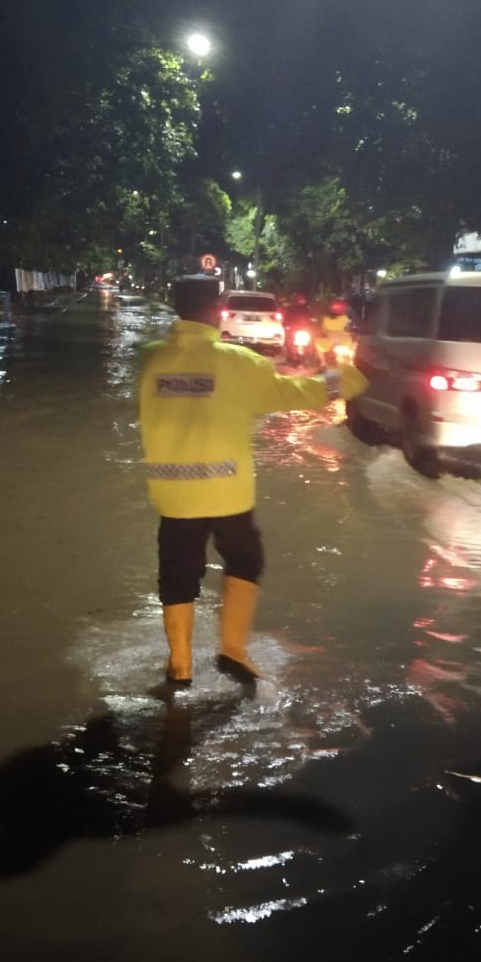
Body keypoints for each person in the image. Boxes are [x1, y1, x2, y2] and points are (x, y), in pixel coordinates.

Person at [138, 275, 367, 687]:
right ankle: (232, 651)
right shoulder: (238, 363)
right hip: (227, 494)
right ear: (214, 308)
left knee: (176, 574)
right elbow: (297, 392)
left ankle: (180, 666)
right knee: (245, 561)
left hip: (173, 497)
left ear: (176, 306)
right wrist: (345, 379)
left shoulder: (152, 360)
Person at [316, 298, 354, 363]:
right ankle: (351, 361)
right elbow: (349, 329)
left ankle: (323, 363)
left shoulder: (325, 318)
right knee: (353, 346)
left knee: (317, 345)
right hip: (345, 341)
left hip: (329, 342)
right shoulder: (345, 318)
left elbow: (323, 331)